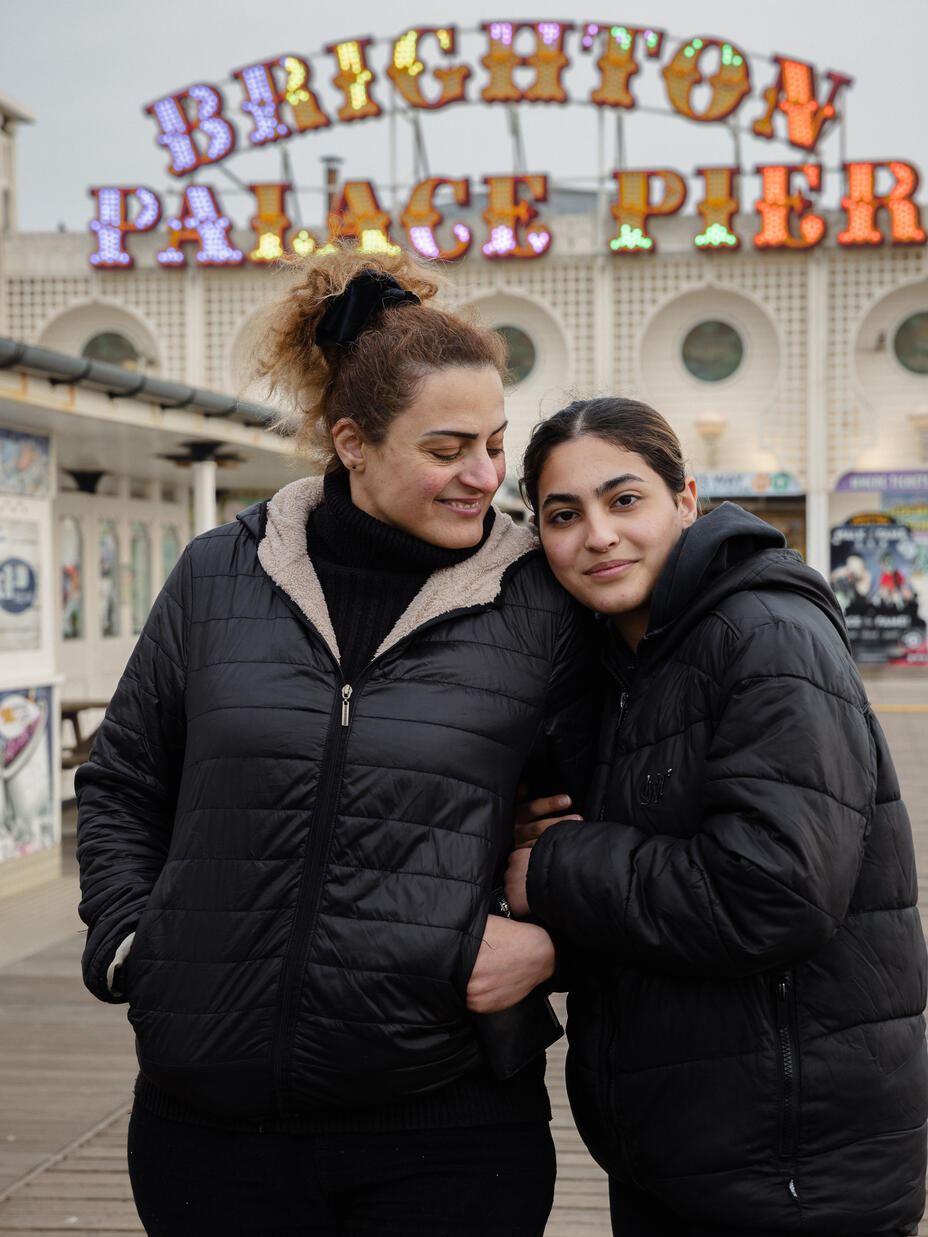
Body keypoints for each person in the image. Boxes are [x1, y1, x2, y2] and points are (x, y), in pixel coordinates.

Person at [75, 251, 594, 1237]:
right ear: (351, 442)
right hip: (208, 1129)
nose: (484, 475)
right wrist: (135, 943)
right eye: (447, 449)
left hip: (447, 1127)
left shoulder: (539, 600)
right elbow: (124, 780)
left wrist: (555, 937)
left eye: (494, 441)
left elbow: (620, 810)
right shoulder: (219, 575)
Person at [505, 396, 928, 1237]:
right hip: (681, 1147)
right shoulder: (621, 660)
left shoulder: (765, 633)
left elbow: (775, 887)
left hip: (794, 1171)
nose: (598, 534)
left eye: (625, 499)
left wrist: (552, 868)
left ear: (686, 501)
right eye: (564, 514)